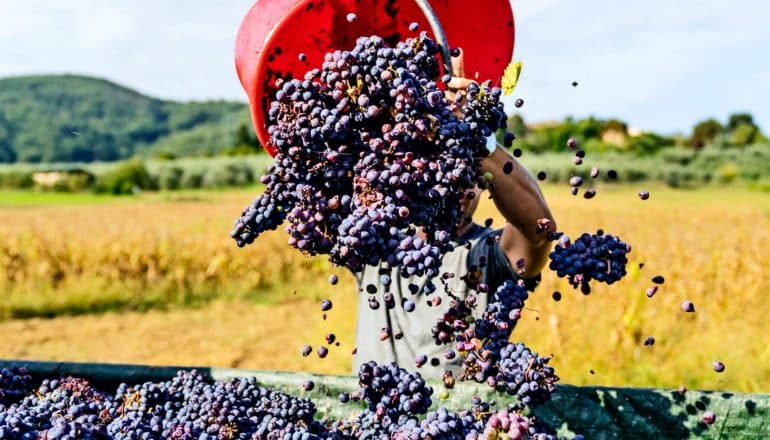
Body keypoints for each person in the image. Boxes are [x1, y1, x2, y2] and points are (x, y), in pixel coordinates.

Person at [352, 51, 557, 378]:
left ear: (483, 184)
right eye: (441, 173)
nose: (453, 188)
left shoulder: (487, 256)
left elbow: (539, 230)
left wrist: (475, 137)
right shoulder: (376, 241)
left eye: (467, 177)